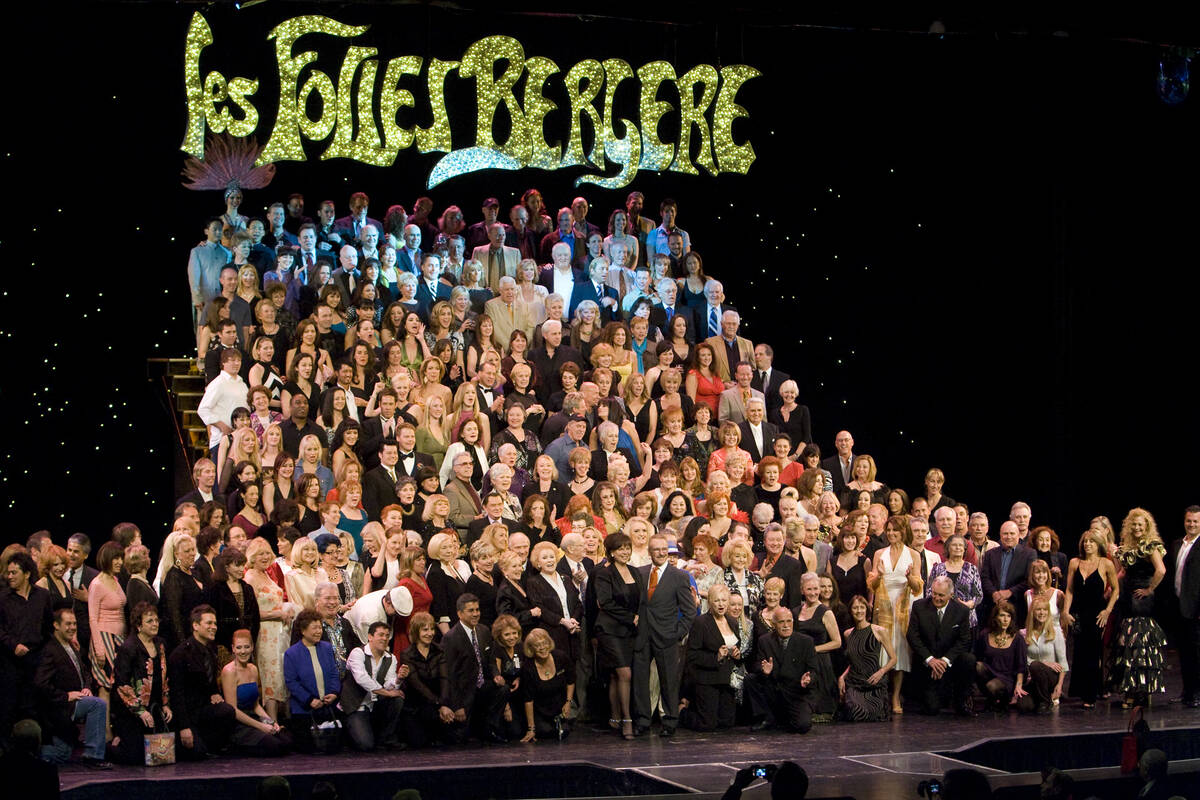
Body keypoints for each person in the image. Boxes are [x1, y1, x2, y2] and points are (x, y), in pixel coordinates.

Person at [632, 534, 695, 736]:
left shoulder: (679, 576)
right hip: (642, 636)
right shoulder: (639, 573)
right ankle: (642, 720)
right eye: (656, 549)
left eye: (664, 550)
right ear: (649, 552)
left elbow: (689, 611)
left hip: (666, 637)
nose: (660, 553)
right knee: (640, 680)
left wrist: (676, 633)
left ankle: (670, 721)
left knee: (668, 681)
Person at [34, 607, 112, 768]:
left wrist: (87, 687)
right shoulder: (50, 650)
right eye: (68, 624)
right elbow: (40, 684)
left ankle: (33, 754)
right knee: (98, 704)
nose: (72, 627)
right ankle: (93, 756)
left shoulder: (72, 646)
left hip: (76, 700)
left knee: (63, 753)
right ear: (56, 625)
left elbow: (84, 672)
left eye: (74, 624)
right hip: (60, 707)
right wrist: (65, 696)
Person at [1111, 508, 1167, 707]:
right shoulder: (1127, 547)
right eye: (1134, 524)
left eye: (1140, 525)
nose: (1136, 528)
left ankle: (1140, 690)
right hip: (1128, 595)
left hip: (1141, 597)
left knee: (1140, 644)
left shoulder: (1150, 546)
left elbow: (1161, 570)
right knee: (1128, 643)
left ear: (1147, 527)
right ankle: (1130, 689)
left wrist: (1150, 588)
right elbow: (1121, 572)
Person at [868, 515, 922, 713]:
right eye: (888, 530)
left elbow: (917, 588)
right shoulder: (879, 553)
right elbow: (872, 585)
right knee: (883, 651)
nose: (890, 534)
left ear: (903, 532)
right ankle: (881, 695)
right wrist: (880, 575)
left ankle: (896, 696)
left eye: (895, 530)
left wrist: (909, 577)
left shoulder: (913, 555)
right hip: (883, 606)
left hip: (903, 608)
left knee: (899, 652)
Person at [168, 605, 237, 758]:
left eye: (215, 623)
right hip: (187, 715)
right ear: (196, 626)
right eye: (209, 623)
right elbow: (176, 695)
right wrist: (184, 727)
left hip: (204, 711)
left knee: (226, 711)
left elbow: (210, 681)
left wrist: (215, 693)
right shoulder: (180, 654)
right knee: (196, 753)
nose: (214, 627)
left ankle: (210, 744)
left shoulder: (211, 649)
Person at [439, 593, 508, 743]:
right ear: (460, 613)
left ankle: (490, 728)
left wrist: (496, 674)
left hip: (483, 687)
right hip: (464, 693)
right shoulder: (450, 638)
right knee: (460, 739)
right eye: (471, 610)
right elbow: (450, 676)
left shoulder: (484, 631)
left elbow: (490, 660)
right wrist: (457, 706)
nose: (476, 614)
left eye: (477, 610)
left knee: (502, 689)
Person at [109, 602, 173, 765]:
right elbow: (121, 683)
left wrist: (165, 704)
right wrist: (140, 711)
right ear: (138, 625)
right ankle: (115, 743)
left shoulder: (160, 644)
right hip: (132, 710)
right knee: (135, 757)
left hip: (155, 706)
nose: (155, 624)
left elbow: (165, 677)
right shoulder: (128, 647)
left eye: (156, 620)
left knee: (161, 754)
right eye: (150, 621)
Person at [906, 576, 977, 716]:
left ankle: (962, 702)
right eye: (934, 593)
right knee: (932, 709)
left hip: (950, 663)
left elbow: (964, 640)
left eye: (941, 595)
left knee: (969, 659)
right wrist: (930, 659)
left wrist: (945, 661)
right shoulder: (919, 606)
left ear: (951, 595)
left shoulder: (961, 611)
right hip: (927, 665)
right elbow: (912, 636)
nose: (936, 598)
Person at [219, 629, 292, 756]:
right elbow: (233, 710)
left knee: (287, 741)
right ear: (233, 649)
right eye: (239, 647)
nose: (243, 651)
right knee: (276, 746)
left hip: (254, 717)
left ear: (252, 647)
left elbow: (256, 705)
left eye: (246, 647)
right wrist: (261, 726)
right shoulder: (229, 671)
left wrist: (271, 722)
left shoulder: (253, 669)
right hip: (239, 723)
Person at [746, 606, 817, 733]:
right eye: (781, 622)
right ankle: (767, 717)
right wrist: (764, 670)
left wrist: (808, 679)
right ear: (774, 624)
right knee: (751, 679)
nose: (786, 625)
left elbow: (814, 670)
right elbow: (756, 664)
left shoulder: (806, 642)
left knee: (803, 726)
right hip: (774, 690)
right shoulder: (765, 640)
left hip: (796, 693)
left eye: (789, 621)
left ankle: (782, 718)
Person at [343, 621, 408, 751]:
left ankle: (385, 738)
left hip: (375, 704)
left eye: (387, 635)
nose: (384, 638)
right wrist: (387, 693)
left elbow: (389, 684)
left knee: (397, 700)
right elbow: (362, 679)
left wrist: (398, 679)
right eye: (381, 635)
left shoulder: (391, 658)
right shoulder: (358, 653)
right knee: (365, 745)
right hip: (357, 705)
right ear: (370, 637)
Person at [683, 584, 739, 731]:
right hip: (706, 679)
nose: (721, 604)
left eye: (724, 600)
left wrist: (736, 654)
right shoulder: (701, 622)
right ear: (710, 602)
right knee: (707, 724)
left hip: (726, 680)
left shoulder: (733, 621)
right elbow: (692, 655)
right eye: (716, 601)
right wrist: (716, 657)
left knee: (726, 723)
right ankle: (682, 712)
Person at [284, 609, 341, 751]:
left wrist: (334, 692)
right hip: (304, 710)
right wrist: (309, 700)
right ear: (303, 631)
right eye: (314, 628)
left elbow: (334, 673)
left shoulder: (327, 648)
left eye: (320, 627)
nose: (319, 631)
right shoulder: (291, 653)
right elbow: (291, 682)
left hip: (327, 707)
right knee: (308, 748)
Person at [790, 572, 841, 720]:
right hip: (801, 663)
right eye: (809, 589)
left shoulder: (826, 612)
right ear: (802, 591)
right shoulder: (796, 611)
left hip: (820, 663)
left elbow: (837, 642)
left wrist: (814, 650)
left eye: (815, 589)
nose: (813, 593)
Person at [838, 594, 897, 722]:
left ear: (866, 609)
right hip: (855, 683)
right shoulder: (848, 634)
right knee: (855, 711)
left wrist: (881, 672)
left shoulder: (879, 631)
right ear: (850, 611)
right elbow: (854, 661)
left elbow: (893, 659)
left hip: (873, 683)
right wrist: (842, 677)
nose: (859, 611)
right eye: (855, 608)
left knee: (873, 713)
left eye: (861, 607)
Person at [525, 541, 583, 665]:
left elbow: (577, 603)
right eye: (544, 558)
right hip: (552, 634)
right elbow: (540, 608)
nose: (549, 560)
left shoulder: (566, 578)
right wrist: (562, 621)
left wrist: (573, 620)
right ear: (538, 563)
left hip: (573, 633)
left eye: (552, 557)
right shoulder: (533, 582)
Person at [87, 541, 127, 711]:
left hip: (119, 637)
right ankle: (105, 733)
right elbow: (92, 618)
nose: (119, 562)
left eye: (121, 558)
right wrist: (99, 648)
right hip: (104, 637)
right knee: (105, 685)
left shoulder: (115, 580)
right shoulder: (97, 584)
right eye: (115, 558)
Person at [400, 612, 448, 747]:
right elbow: (417, 685)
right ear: (416, 631)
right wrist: (438, 704)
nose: (430, 633)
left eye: (432, 629)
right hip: (416, 704)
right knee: (419, 743)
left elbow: (445, 679)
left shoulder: (439, 650)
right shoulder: (407, 654)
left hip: (437, 702)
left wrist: (444, 704)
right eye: (425, 629)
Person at [518, 627, 574, 742]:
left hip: (560, 707)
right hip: (540, 711)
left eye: (544, 643)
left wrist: (568, 702)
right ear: (531, 649)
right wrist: (531, 728)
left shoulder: (561, 657)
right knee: (545, 731)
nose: (542, 648)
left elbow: (570, 681)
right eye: (537, 645)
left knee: (566, 731)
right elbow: (528, 700)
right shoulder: (528, 668)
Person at [1170, 505, 1200, 708]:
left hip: (1196, 610)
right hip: (1179, 607)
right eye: (1189, 521)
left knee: (1197, 654)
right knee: (1185, 652)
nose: (1192, 524)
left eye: (1196, 521)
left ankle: (1196, 693)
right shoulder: (1176, 544)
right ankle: (1187, 691)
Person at [978, 520, 1036, 625]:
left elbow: (1029, 580)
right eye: (1005, 533)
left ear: (1018, 535)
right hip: (993, 606)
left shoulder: (1029, 554)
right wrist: (994, 594)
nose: (1008, 536)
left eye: (1012, 533)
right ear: (1000, 535)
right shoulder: (990, 554)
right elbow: (984, 578)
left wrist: (1010, 592)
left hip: (1017, 608)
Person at [973, 602, 1027, 712]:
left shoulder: (1017, 639)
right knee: (977, 666)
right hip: (990, 672)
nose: (1006, 620)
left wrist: (1019, 685)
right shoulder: (985, 635)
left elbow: (1021, 666)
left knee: (992, 686)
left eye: (1008, 616)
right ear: (995, 617)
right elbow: (977, 656)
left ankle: (1002, 700)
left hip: (1007, 678)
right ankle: (991, 697)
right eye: (1002, 615)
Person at [927, 534, 983, 629]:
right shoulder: (938, 568)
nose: (958, 547)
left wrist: (970, 604)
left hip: (966, 620)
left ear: (964, 549)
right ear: (948, 547)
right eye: (954, 545)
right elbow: (929, 591)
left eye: (960, 545)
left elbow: (978, 595)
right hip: (941, 619)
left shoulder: (971, 569)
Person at [1022, 597, 1068, 713]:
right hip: (1032, 678)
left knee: (1035, 666)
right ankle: (1042, 698)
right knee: (1025, 706)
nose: (1042, 613)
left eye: (1045, 610)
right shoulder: (1024, 633)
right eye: (1038, 610)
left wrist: (1060, 686)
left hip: (1051, 676)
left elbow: (1063, 662)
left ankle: (1045, 702)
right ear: (1032, 612)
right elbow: (1023, 658)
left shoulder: (1056, 632)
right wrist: (1043, 662)